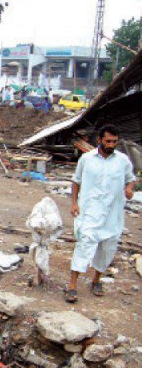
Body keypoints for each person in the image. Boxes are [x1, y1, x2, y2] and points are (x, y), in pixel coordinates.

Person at [65, 125, 136, 303]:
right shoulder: (87, 159)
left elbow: (131, 179)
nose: (111, 145)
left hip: (113, 213)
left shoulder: (123, 160)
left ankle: (96, 280)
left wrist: (129, 189)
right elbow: (76, 181)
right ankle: (72, 285)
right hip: (90, 211)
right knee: (84, 244)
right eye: (108, 141)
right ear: (99, 140)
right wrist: (74, 203)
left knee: (107, 248)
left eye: (114, 141)